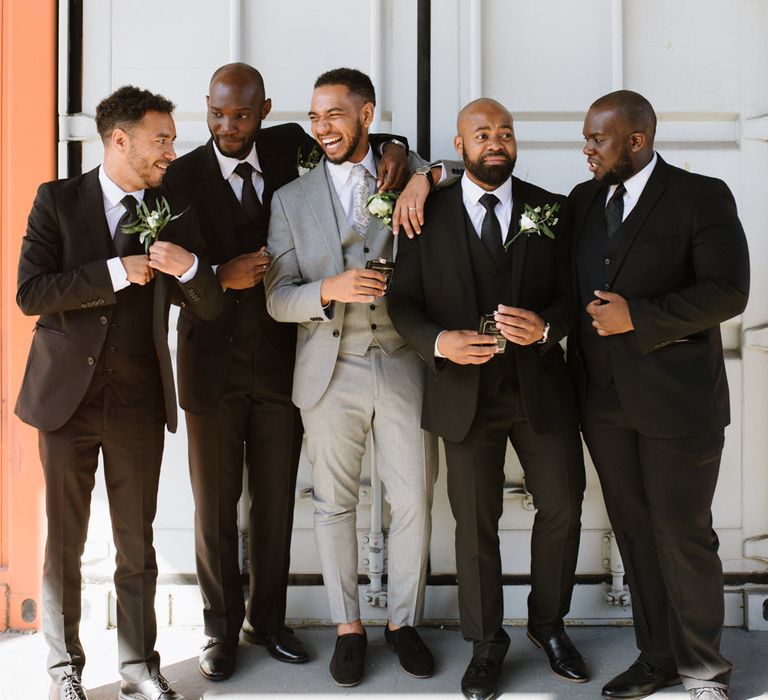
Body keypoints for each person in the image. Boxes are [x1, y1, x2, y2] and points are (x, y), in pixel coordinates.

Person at [162, 61, 412, 681]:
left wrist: (408, 158)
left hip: (284, 363)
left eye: (242, 115)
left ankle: (267, 622)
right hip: (211, 366)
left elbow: (362, 143)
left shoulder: (289, 145)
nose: (228, 126)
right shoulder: (180, 176)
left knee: (275, 502)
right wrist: (214, 275)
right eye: (217, 113)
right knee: (215, 507)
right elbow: (158, 277)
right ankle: (219, 632)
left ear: (265, 111)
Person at [15, 86, 223, 700]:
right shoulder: (55, 201)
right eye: (161, 139)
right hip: (64, 401)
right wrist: (112, 272)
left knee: (137, 540)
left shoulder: (174, 208)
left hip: (135, 401)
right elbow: (31, 293)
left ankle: (138, 666)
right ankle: (64, 672)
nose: (171, 150)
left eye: (171, 139)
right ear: (119, 139)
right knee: (66, 542)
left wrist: (188, 267)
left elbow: (209, 308)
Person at [388, 98, 587, 700]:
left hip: (540, 391)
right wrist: (440, 342)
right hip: (463, 395)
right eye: (482, 134)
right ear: (460, 143)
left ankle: (548, 625)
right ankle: (485, 644)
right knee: (476, 524)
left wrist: (548, 327)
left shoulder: (550, 210)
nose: (495, 142)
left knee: (563, 505)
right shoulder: (425, 212)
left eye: (504, 132)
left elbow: (576, 296)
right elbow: (403, 303)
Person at [569, 90, 749, 700]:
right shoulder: (583, 200)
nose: (586, 148)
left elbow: (728, 292)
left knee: (683, 533)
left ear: (637, 140)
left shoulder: (703, 197)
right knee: (635, 533)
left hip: (680, 403)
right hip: (604, 402)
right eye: (587, 137)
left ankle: (705, 670)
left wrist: (638, 318)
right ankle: (657, 657)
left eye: (598, 138)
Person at [264, 67, 437, 688]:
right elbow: (277, 297)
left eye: (334, 114)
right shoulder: (289, 199)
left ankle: (403, 622)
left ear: (367, 114)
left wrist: (422, 173)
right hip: (327, 369)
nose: (322, 128)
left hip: (403, 361)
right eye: (314, 117)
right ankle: (348, 627)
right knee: (333, 504)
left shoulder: (410, 174)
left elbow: (451, 167)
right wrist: (327, 291)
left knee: (413, 497)